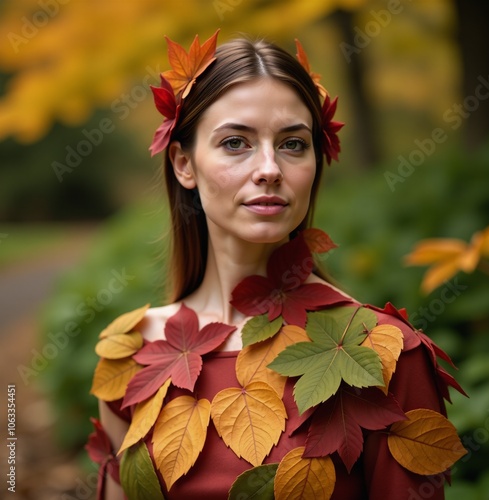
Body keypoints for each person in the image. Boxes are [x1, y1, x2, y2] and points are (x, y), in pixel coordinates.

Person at [85, 30, 466, 500]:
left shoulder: (385, 353)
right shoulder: (130, 354)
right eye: (235, 143)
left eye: (292, 144)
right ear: (184, 164)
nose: (269, 167)